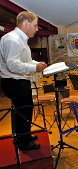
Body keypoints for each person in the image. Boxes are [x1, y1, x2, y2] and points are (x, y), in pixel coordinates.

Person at [0, 11, 47, 150]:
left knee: (23, 109)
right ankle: (23, 142)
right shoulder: (12, 39)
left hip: (18, 80)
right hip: (14, 81)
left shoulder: (21, 40)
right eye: (35, 25)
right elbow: (13, 65)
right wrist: (34, 67)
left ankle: (23, 135)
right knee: (23, 110)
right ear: (26, 22)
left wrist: (37, 64)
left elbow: (24, 61)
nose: (37, 29)